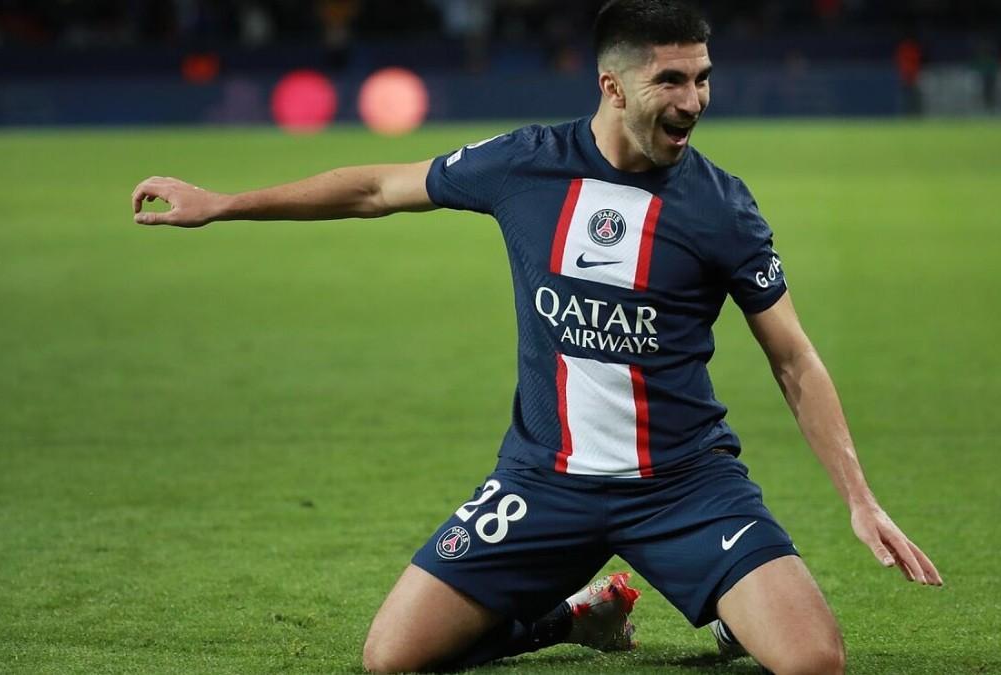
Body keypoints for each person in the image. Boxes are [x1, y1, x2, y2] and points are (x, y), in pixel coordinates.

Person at [130, 1, 942, 672]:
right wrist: (225, 203)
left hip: (685, 485)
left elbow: (793, 357)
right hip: (544, 482)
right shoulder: (525, 163)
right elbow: (378, 186)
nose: (693, 100)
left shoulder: (722, 207)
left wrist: (859, 499)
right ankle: (570, 619)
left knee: (813, 663)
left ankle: (734, 610)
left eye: (702, 78)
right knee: (389, 659)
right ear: (612, 85)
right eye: (671, 79)